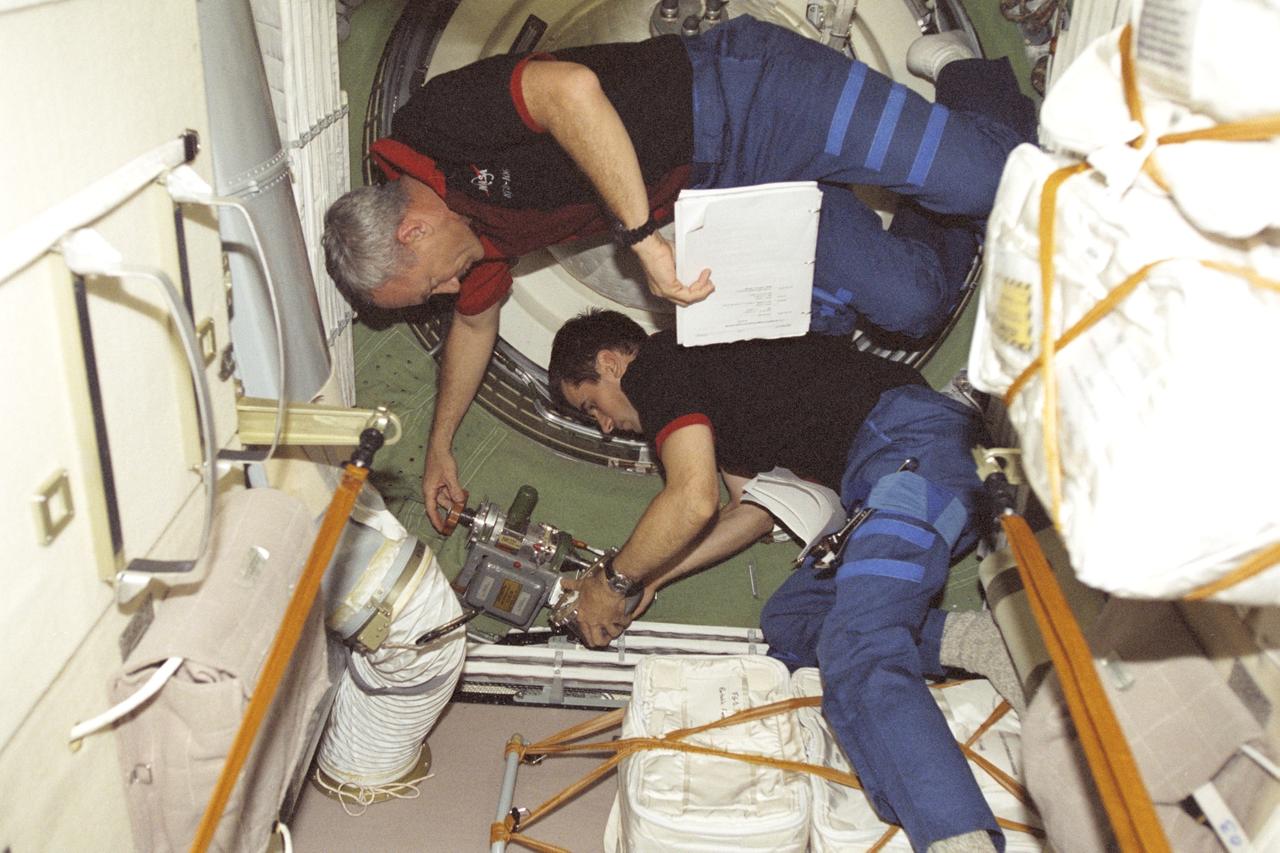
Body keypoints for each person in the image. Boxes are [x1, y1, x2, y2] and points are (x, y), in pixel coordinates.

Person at [322, 15, 1036, 532]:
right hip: (723, 196)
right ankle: (917, 167)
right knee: (909, 302)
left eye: (432, 286)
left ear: (412, 229)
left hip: (751, 94)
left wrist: (640, 236)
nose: (450, 294)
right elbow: (476, 323)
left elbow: (568, 91)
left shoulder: (436, 126)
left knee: (997, 181)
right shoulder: (471, 243)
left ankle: (960, 76)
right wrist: (442, 442)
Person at [547, 309, 1022, 852]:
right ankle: (977, 642)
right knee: (793, 618)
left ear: (611, 363)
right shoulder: (707, 390)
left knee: (859, 646)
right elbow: (748, 511)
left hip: (912, 451)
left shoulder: (656, 367)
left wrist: (611, 582)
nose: (605, 425)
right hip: (888, 477)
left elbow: (690, 499)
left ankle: (957, 840)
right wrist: (653, 576)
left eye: (591, 405)